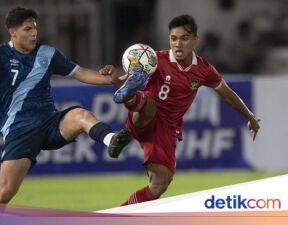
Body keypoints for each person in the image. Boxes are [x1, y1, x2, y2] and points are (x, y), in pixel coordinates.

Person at [0, 7, 130, 209]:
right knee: (4, 195)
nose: (34, 33)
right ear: (12, 32)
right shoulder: (0, 55)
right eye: (27, 29)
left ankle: (111, 140)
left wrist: (113, 79)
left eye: (35, 28)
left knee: (81, 115)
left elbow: (81, 73)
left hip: (49, 123)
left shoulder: (48, 53)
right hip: (19, 129)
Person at [101, 14, 261, 206]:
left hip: (167, 129)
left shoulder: (204, 70)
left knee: (160, 185)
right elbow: (124, 76)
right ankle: (130, 99)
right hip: (144, 114)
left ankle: (118, 215)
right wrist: (115, 79)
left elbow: (227, 94)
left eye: (184, 38)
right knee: (149, 105)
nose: (177, 44)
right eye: (173, 39)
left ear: (195, 40)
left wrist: (250, 116)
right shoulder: (154, 60)